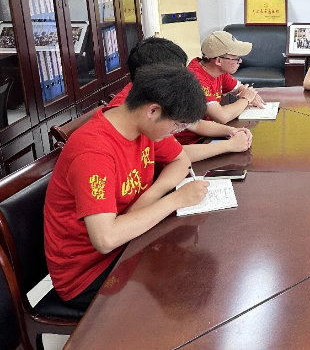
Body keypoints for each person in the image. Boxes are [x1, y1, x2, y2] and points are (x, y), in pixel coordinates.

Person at [44, 64, 211, 308]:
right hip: (88, 272)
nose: (176, 132)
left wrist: (148, 198)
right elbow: (106, 239)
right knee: (182, 289)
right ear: (153, 110)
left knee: (193, 267)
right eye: (177, 125)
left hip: (128, 241)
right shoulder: (93, 152)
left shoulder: (140, 126)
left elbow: (181, 160)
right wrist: (176, 199)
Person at [110, 36, 252, 161]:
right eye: (176, 74)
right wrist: (229, 145)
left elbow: (194, 124)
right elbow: (177, 154)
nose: (181, 79)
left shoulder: (154, 94)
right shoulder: (139, 109)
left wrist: (231, 131)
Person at [178, 31, 265, 143]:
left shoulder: (217, 71)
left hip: (208, 133)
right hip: (190, 142)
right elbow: (222, 116)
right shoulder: (195, 78)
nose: (240, 61)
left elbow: (240, 89)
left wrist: (248, 94)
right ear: (218, 61)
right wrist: (246, 99)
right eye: (236, 58)